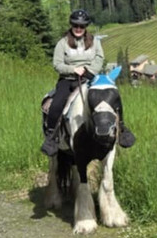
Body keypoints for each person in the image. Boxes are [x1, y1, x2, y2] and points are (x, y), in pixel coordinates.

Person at [41, 10, 135, 156]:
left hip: (90, 78)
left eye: (82, 26)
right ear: (72, 25)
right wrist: (73, 69)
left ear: (86, 27)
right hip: (67, 79)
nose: (78, 29)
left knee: (112, 97)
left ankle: (122, 129)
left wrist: (89, 71)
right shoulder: (62, 43)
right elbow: (57, 64)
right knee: (57, 103)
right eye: (75, 25)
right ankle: (52, 137)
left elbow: (99, 58)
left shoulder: (95, 42)